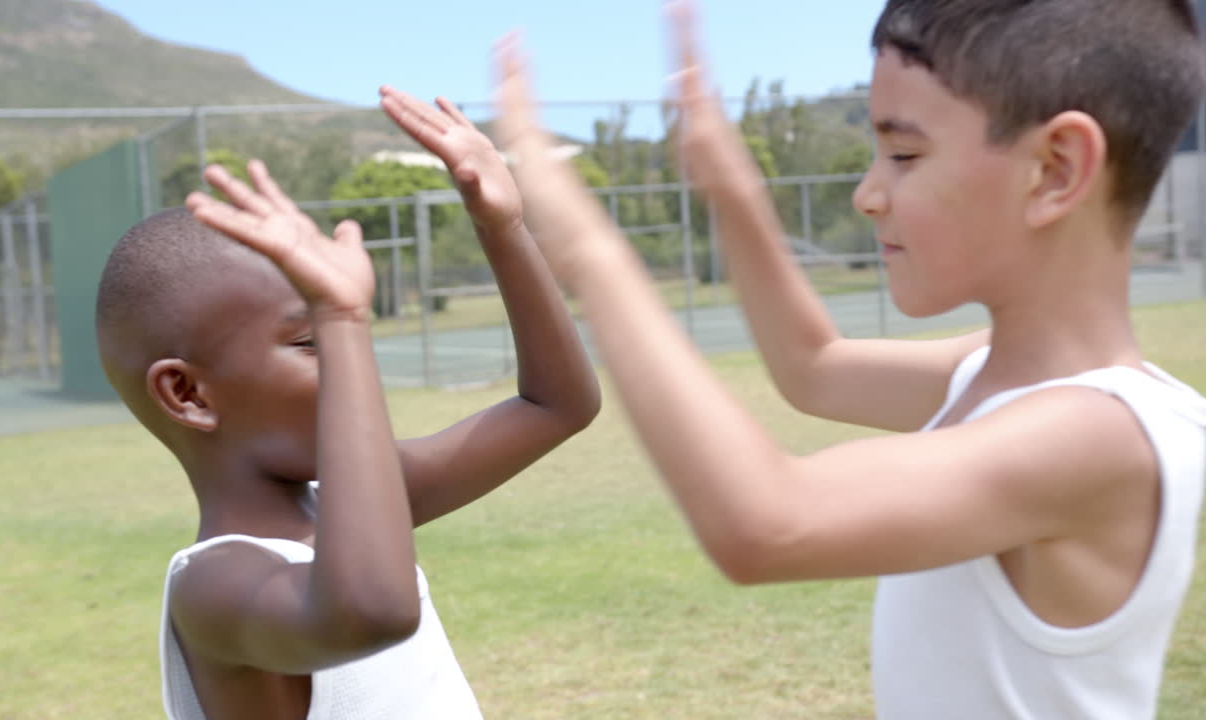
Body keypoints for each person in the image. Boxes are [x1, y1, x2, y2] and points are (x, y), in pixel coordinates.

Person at [490, 0, 1206, 716]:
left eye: (904, 155)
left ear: (1055, 170)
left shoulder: (1102, 437)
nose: (868, 194)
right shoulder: (999, 375)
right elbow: (814, 365)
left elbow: (767, 523)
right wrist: (728, 184)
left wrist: (587, 248)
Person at [95, 87, 599, 720]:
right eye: (310, 341)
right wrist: (342, 316)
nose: (358, 368)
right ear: (189, 394)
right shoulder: (214, 585)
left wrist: (503, 228)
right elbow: (371, 610)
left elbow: (557, 406)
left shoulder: (348, 507)